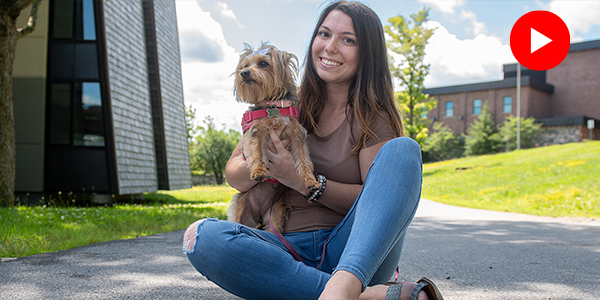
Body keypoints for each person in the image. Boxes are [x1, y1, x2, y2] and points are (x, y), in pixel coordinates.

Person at [183, 1, 444, 299]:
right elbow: (234, 174)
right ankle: (365, 296)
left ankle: (344, 285)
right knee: (201, 237)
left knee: (403, 151)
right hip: (282, 247)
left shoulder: (374, 116)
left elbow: (377, 201)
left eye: (348, 40)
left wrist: (303, 182)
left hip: (352, 252)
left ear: (367, 53)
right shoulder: (280, 104)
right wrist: (265, 166)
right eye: (324, 34)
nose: (330, 47)